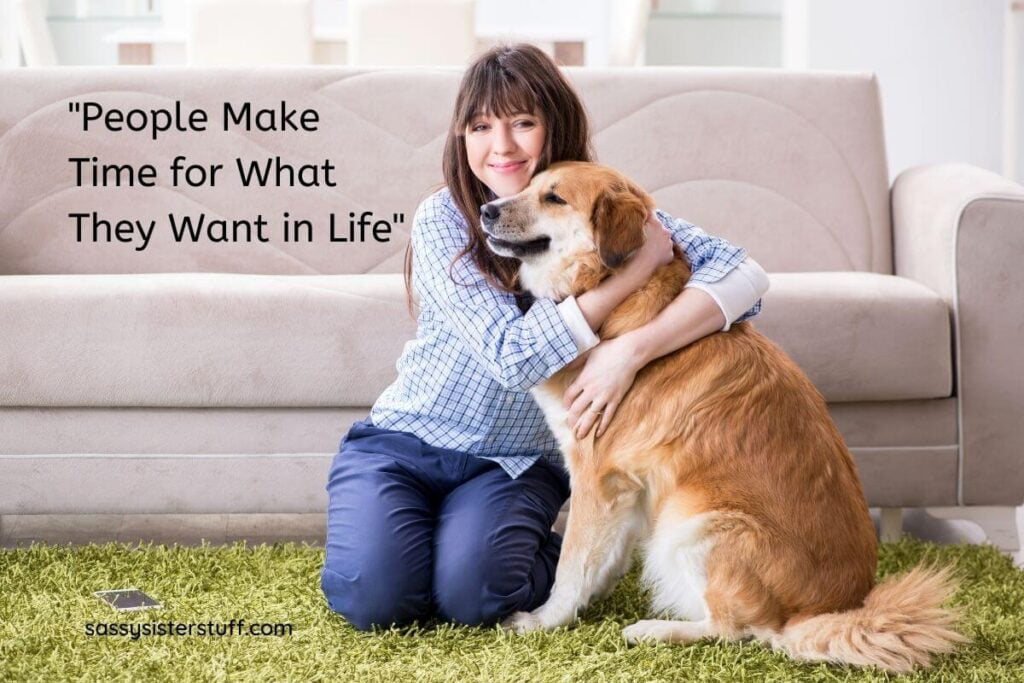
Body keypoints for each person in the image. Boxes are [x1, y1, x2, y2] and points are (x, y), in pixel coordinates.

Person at [320, 43, 770, 632]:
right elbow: (513, 359)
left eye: (522, 122)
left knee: (476, 597)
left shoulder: (598, 201)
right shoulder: (445, 218)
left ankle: (519, 557)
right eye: (480, 126)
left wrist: (631, 349)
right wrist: (631, 275)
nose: (501, 144)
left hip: (509, 464)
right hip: (406, 444)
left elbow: (746, 277)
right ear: (462, 139)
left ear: (554, 125)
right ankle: (419, 548)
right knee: (372, 599)